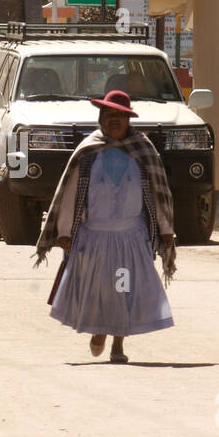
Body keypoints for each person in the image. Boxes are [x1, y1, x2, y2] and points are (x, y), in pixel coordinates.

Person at [34, 91, 176, 363]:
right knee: (100, 289)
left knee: (123, 288)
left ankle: (118, 343)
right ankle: (99, 330)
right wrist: (64, 231)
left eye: (120, 116)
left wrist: (166, 228)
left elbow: (158, 193)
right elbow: (71, 192)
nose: (115, 121)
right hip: (94, 237)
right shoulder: (88, 152)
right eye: (109, 116)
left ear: (128, 120)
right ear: (101, 119)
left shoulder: (142, 151)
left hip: (130, 238)